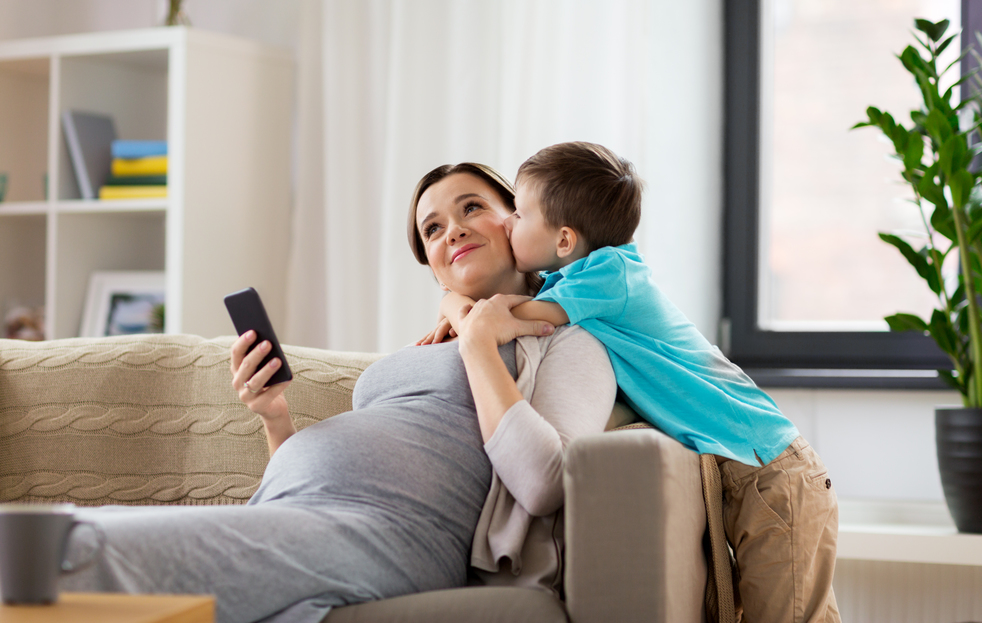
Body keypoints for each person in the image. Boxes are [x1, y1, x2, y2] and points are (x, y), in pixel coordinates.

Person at [58, 162, 616, 623]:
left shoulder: (567, 341)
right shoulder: (425, 346)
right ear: (437, 272)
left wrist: (477, 343)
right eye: (433, 229)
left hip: (387, 534)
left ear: (517, 222)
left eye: (471, 207)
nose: (453, 231)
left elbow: (544, 482)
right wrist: (275, 418)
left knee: (65, 549)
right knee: (51, 548)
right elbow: (323, 477)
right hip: (293, 513)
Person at [430, 142, 840, 623]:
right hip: (748, 468)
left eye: (517, 215)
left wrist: (452, 304)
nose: (508, 224)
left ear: (564, 240)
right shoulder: (574, 282)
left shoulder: (611, 274)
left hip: (771, 466)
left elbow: (506, 316)